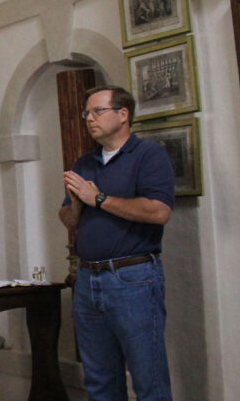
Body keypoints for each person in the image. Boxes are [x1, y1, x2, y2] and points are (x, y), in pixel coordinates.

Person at [59, 85, 175, 401]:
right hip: (88, 279)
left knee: (148, 380)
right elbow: (69, 221)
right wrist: (78, 203)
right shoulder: (85, 163)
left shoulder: (149, 155)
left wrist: (97, 198)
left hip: (133, 279)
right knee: (99, 382)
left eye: (97, 111)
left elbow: (158, 211)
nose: (89, 118)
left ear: (123, 115)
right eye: (86, 113)